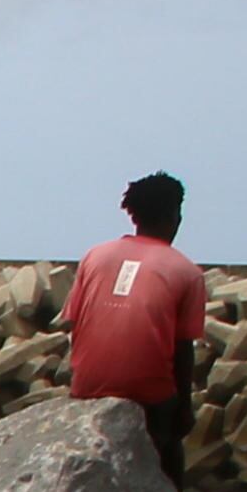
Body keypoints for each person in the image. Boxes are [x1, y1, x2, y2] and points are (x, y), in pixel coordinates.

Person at [54, 174, 210, 465]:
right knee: (169, 447)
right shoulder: (187, 272)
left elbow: (77, 324)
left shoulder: (94, 257)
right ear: (176, 215)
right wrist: (184, 410)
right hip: (147, 395)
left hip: (87, 387)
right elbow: (182, 349)